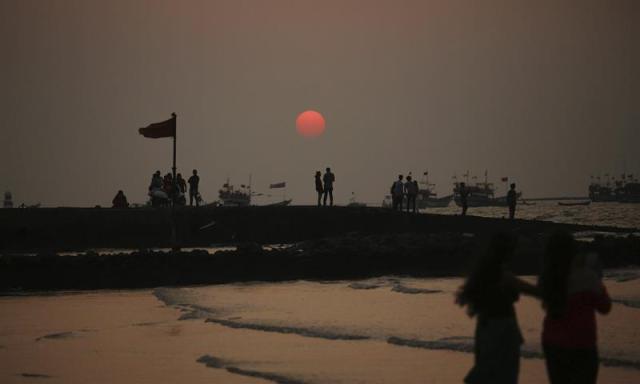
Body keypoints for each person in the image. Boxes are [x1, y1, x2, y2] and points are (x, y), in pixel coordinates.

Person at [456, 232, 538, 384]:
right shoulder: (501, 276)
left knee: (485, 372)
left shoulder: (483, 274)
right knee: (504, 375)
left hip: (486, 327)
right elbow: (534, 291)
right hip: (503, 329)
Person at [539, 232, 611, 384]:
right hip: (582, 344)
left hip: (552, 342)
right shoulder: (587, 276)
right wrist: (597, 278)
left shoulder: (548, 276)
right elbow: (605, 307)